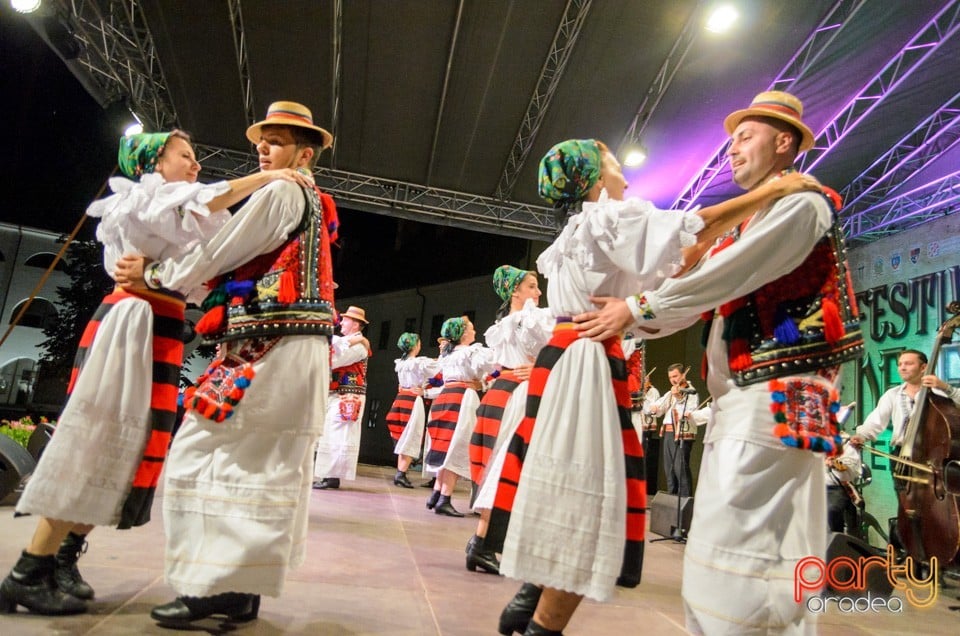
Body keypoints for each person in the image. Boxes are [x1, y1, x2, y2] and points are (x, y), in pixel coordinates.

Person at [489, 135, 823, 635]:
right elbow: (694, 234)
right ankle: (542, 617)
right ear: (596, 179)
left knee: (564, 475)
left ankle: (534, 592)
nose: (623, 170)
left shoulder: (572, 237)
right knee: (590, 488)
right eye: (613, 163)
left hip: (566, 358)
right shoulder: (606, 217)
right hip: (586, 361)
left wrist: (643, 306)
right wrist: (771, 193)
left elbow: (679, 268)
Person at [573, 91, 864, 635]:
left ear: (784, 143)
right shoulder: (750, 220)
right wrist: (635, 316)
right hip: (762, 393)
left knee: (731, 532)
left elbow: (725, 276)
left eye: (745, 138)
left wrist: (635, 309)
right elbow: (698, 288)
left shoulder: (804, 203)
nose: (731, 151)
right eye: (730, 142)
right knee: (778, 539)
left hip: (773, 390)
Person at [0, 129, 312, 616]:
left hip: (159, 325)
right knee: (98, 437)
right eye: (184, 156)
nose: (194, 166)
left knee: (129, 446)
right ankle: (28, 569)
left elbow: (208, 259)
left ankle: (60, 557)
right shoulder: (150, 200)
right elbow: (213, 200)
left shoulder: (179, 209)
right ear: (152, 165)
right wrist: (271, 175)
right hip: (133, 322)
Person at [113, 100, 339, 626]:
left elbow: (223, 252)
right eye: (262, 140)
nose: (263, 148)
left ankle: (212, 585)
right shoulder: (305, 195)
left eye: (277, 141)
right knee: (260, 461)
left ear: (303, 154)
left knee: (203, 448)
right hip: (287, 341)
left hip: (274, 342)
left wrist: (155, 274)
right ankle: (240, 586)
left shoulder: (284, 189)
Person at [467, 265, 551, 575]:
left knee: (503, 466)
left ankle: (484, 542)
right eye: (532, 286)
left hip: (504, 393)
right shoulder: (529, 320)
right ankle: (483, 543)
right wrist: (544, 369)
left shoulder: (504, 324)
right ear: (515, 291)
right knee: (508, 467)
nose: (538, 292)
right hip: (519, 394)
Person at [424, 316, 495, 517]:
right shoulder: (471, 352)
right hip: (462, 399)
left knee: (445, 446)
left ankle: (437, 493)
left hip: (446, 397)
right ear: (464, 334)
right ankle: (444, 498)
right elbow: (496, 365)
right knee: (458, 447)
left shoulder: (447, 355)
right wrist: (484, 383)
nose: (474, 332)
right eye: (471, 328)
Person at [850, 349, 960, 458]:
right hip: (901, 456)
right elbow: (876, 421)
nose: (902, 368)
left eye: (908, 364)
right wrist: (861, 436)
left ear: (923, 367)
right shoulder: (892, 394)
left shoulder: (940, 393)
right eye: (900, 364)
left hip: (933, 456)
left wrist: (945, 387)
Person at [314, 306, 372, 490]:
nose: (342, 322)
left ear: (356, 324)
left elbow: (335, 360)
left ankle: (332, 476)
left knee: (339, 434)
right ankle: (327, 474)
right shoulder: (351, 341)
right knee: (330, 433)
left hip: (349, 395)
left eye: (346, 320)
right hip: (338, 393)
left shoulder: (360, 346)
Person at [385, 333, 441, 488]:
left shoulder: (401, 363)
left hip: (401, 398)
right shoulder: (418, 363)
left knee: (402, 435)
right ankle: (401, 473)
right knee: (411, 436)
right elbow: (438, 367)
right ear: (416, 346)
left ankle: (400, 472)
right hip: (412, 400)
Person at [650, 363, 698, 498]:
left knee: (680, 468)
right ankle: (672, 498)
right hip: (668, 432)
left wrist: (678, 397)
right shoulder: (671, 392)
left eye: (675, 376)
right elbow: (661, 407)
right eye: (670, 377)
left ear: (683, 375)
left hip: (682, 433)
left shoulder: (690, 391)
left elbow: (689, 411)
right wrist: (655, 408)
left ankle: (685, 500)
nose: (673, 380)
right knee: (669, 468)